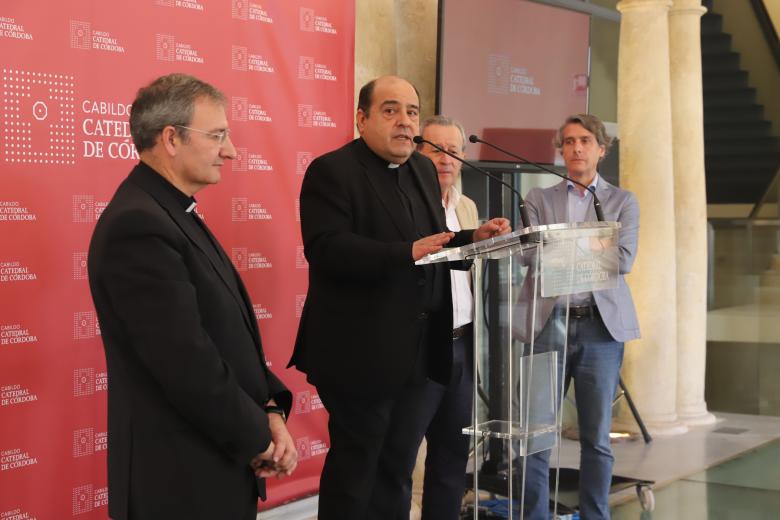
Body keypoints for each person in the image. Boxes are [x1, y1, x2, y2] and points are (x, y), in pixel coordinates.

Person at [288, 75, 510, 520]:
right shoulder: (332, 171)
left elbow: (432, 243)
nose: (405, 122)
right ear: (361, 118)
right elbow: (327, 248)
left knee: (395, 468)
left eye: (411, 112)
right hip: (358, 353)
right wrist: (404, 253)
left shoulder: (422, 170)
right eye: (390, 111)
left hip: (418, 352)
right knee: (357, 469)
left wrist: (472, 237)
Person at [88, 73, 297, 520]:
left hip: (212, 462)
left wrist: (270, 408)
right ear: (171, 138)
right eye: (218, 135)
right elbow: (187, 364)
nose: (231, 150)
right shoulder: (139, 225)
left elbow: (227, 336)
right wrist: (258, 437)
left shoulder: (170, 210)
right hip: (177, 481)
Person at [519, 114, 640, 520]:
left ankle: (594, 516)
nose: (576, 148)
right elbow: (530, 255)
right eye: (568, 141)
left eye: (585, 140)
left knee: (596, 439)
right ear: (561, 149)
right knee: (536, 436)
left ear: (601, 149)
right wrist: (592, 246)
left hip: (599, 329)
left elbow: (622, 261)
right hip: (547, 322)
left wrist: (562, 248)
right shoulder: (538, 198)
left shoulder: (622, 201)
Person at [412, 115, 479, 518]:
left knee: (452, 458)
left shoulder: (466, 206)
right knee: (403, 456)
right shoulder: (407, 205)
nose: (445, 159)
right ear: (418, 153)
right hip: (421, 347)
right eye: (435, 149)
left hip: (464, 343)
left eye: (453, 151)